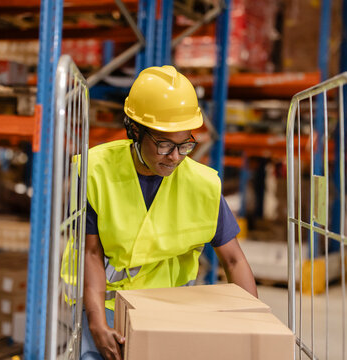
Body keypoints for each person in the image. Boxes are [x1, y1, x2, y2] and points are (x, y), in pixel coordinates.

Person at [81, 65, 257, 360]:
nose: (175, 156)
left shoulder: (203, 186)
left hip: (170, 313)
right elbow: (91, 253)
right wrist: (97, 323)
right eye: (163, 144)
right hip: (104, 308)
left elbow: (235, 259)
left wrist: (254, 328)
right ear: (135, 130)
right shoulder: (96, 171)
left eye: (185, 144)